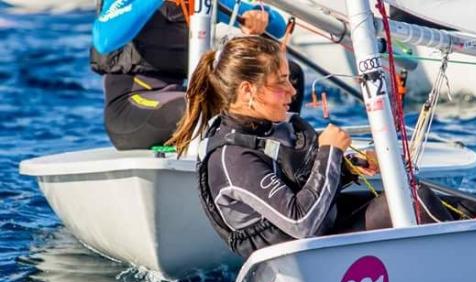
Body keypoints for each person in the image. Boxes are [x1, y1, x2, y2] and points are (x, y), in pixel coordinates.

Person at [167, 36, 453, 258]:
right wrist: (330, 153)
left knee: (418, 195)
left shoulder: (273, 128)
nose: (292, 91)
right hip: (303, 260)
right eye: (281, 82)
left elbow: (304, 180)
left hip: (324, 234)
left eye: (290, 79)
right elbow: (302, 222)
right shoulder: (232, 158)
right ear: (247, 91)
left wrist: (352, 165)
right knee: (412, 204)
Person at [90, 0, 305, 150]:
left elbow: (278, 26)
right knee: (197, 108)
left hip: (184, 95)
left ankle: (280, 153)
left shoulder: (198, 2)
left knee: (287, 76)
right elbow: (104, 39)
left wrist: (260, 17)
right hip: (130, 108)